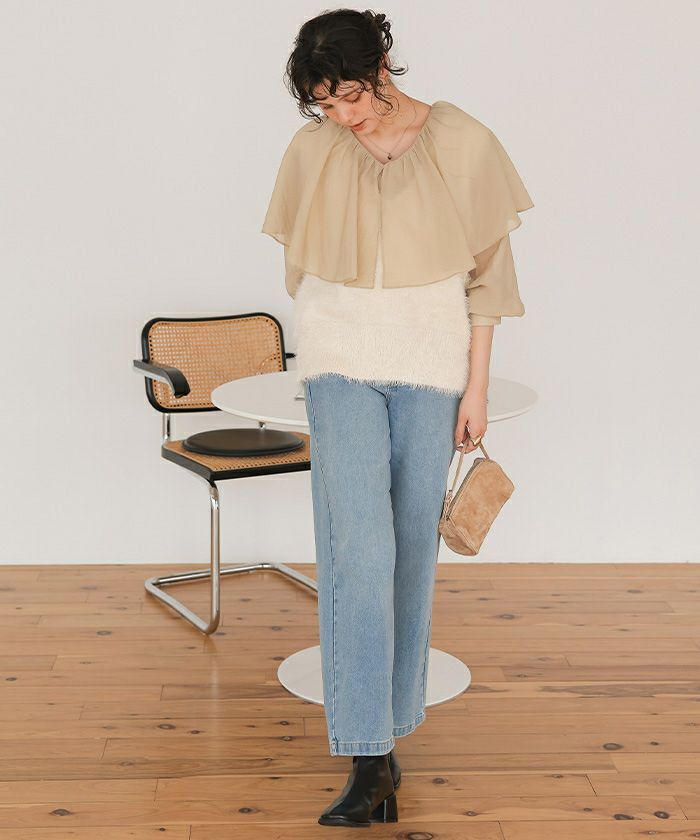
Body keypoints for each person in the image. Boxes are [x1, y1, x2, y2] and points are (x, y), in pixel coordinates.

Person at [261, 8, 534, 829]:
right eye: (324, 104)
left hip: (432, 371)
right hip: (339, 364)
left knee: (412, 555)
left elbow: (488, 281)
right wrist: (332, 328)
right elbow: (300, 270)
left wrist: (475, 390)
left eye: (350, 95)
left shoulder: (464, 142)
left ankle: (390, 738)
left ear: (382, 65)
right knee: (357, 553)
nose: (342, 115)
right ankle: (365, 755)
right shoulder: (313, 149)